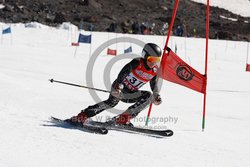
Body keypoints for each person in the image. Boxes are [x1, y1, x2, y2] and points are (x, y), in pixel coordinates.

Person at [69, 43, 163, 126]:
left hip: (131, 94)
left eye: (157, 60)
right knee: (111, 103)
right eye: (151, 59)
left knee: (148, 96)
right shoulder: (137, 63)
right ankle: (82, 115)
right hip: (120, 88)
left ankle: (123, 118)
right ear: (145, 56)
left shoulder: (155, 70)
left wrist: (156, 94)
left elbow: (153, 83)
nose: (153, 63)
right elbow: (122, 74)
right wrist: (118, 86)